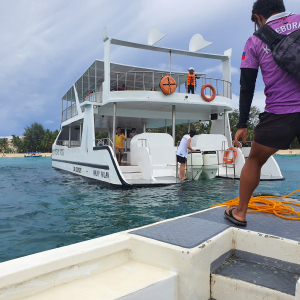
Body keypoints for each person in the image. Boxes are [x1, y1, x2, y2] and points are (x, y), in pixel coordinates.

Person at [225, 0, 300, 226]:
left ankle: (240, 213)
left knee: (255, 160)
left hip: (280, 112)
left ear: (258, 17)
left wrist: (242, 124)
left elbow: (247, 86)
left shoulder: (255, 41)